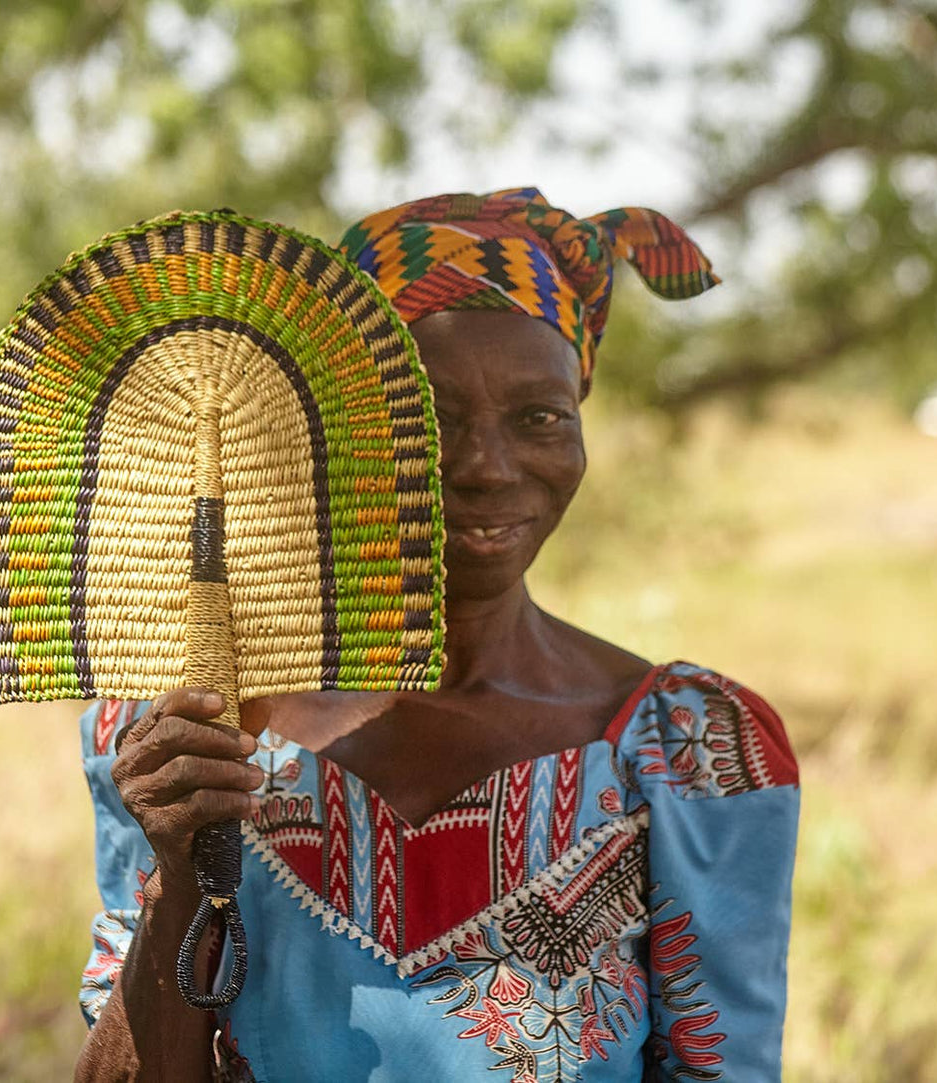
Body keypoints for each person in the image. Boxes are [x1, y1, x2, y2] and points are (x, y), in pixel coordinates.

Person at [73, 188, 800, 1082]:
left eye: (538, 417)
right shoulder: (189, 729)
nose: (485, 467)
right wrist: (180, 871)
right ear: (332, 429)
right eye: (426, 417)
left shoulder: (682, 748)